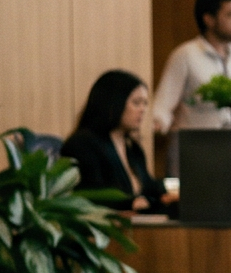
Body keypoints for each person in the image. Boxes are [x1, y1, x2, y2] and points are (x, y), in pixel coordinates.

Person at [150, 0, 231, 137]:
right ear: (209, 19)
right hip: (194, 146)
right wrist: (156, 125)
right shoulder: (185, 55)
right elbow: (163, 105)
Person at [63, 70, 166, 213]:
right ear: (112, 102)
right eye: (136, 103)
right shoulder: (82, 144)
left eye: (145, 103)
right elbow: (92, 196)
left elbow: (150, 189)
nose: (143, 110)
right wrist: (132, 203)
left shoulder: (132, 148)